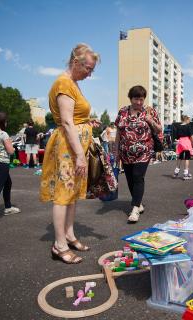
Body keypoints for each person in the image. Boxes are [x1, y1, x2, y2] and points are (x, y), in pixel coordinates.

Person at [40, 43, 100, 264]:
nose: (90, 73)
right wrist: (80, 155)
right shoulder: (64, 83)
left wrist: (87, 123)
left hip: (74, 145)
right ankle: (59, 244)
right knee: (64, 195)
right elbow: (66, 121)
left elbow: (74, 118)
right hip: (68, 147)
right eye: (88, 68)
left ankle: (69, 235)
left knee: (72, 194)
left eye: (92, 69)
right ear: (76, 62)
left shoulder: (72, 83)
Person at [114, 85, 162, 223]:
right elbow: (118, 132)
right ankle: (138, 203)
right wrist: (116, 151)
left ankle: (135, 208)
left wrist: (150, 120)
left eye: (141, 99)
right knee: (129, 179)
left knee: (138, 176)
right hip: (125, 152)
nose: (139, 102)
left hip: (144, 151)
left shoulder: (149, 111)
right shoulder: (122, 112)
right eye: (136, 99)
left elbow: (159, 129)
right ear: (130, 98)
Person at [173, 115, 193, 180]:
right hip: (186, 142)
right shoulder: (188, 126)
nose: (190, 121)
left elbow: (177, 137)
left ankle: (176, 172)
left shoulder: (178, 126)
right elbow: (191, 137)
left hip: (180, 142)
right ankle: (185, 174)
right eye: (189, 120)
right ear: (187, 119)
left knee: (180, 157)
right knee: (187, 158)